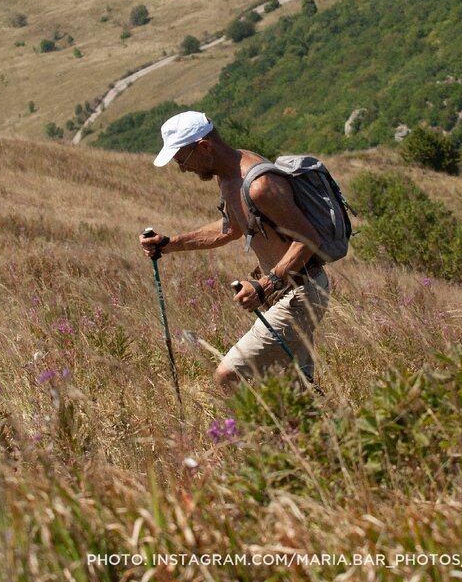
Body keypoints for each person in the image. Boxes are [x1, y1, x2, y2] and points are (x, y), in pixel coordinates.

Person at [140, 111, 330, 392]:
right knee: (295, 389)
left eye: (183, 160)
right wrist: (170, 244)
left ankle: (251, 436)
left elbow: (307, 239)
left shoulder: (259, 185)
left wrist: (265, 285)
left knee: (227, 376)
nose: (183, 169)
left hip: (301, 293)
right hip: (285, 291)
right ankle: (303, 434)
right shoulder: (227, 178)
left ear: (204, 147)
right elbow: (231, 229)